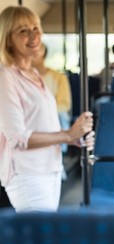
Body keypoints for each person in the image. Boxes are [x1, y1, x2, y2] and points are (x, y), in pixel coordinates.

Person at [0, 6, 95, 213]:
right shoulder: (6, 76)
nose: (33, 35)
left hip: (50, 167)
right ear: (8, 39)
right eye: (23, 31)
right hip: (28, 173)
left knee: (40, 241)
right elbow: (17, 137)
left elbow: (43, 124)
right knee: (39, 242)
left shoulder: (34, 74)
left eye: (36, 28)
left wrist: (74, 139)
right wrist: (67, 134)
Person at [32, 43, 72, 155]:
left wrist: (41, 110)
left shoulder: (58, 77)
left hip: (53, 116)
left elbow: (64, 105)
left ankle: (60, 148)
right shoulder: (14, 77)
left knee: (62, 115)